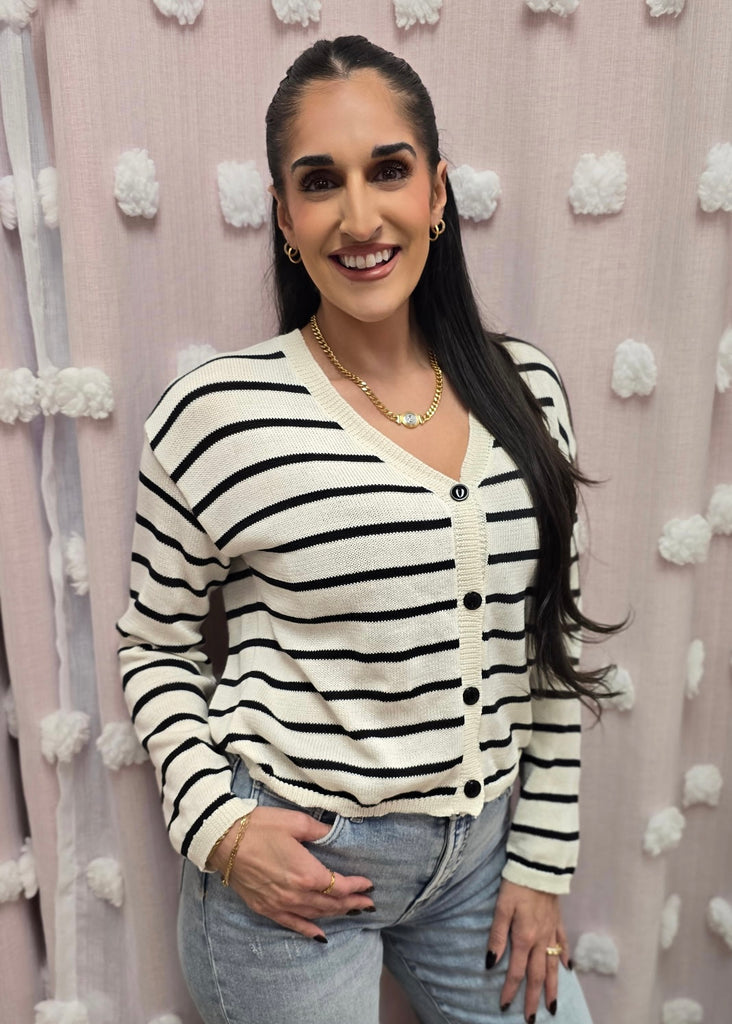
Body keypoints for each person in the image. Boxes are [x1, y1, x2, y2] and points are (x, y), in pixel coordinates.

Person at [116, 35, 620, 1024]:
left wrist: (540, 862)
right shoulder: (217, 415)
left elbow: (547, 646)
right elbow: (154, 646)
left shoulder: (528, 389)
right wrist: (222, 829)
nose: (359, 217)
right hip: (292, 883)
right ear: (283, 216)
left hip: (481, 866)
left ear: (437, 191)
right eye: (320, 182)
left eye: (388, 170)